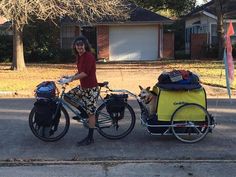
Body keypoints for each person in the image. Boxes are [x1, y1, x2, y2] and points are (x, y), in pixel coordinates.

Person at [64, 35, 98, 146]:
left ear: (85, 46)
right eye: (77, 45)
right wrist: (68, 78)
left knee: (91, 114)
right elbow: (80, 72)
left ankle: (90, 137)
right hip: (83, 87)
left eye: (81, 45)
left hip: (90, 88)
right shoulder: (80, 56)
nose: (79, 47)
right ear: (75, 47)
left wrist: (72, 79)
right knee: (67, 97)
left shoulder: (88, 56)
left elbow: (85, 73)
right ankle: (83, 112)